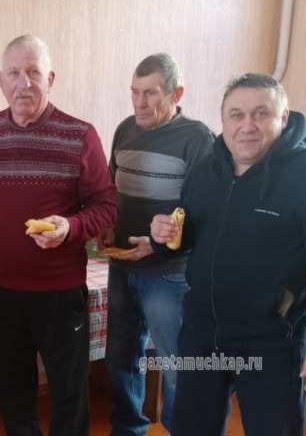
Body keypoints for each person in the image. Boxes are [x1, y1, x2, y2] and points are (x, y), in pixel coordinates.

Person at [0, 34, 117, 436]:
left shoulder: (80, 135)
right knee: (13, 391)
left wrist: (71, 227)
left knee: (69, 394)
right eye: (14, 73)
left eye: (33, 72)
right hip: (2, 291)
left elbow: (107, 205)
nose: (23, 83)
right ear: (0, 80)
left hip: (61, 293)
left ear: (51, 79)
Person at [150, 73, 306, 436]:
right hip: (201, 334)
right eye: (236, 115)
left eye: (261, 114)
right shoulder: (206, 168)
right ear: (224, 120)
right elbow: (185, 234)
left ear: (283, 117)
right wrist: (163, 236)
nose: (247, 126)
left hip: (273, 343)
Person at [102, 53, 215, 435]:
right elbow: (110, 188)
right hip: (121, 269)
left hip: (168, 275)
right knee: (120, 359)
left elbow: (204, 212)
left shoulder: (197, 139)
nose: (139, 102)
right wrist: (106, 223)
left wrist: (158, 244)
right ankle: (128, 429)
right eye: (134, 92)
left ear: (175, 93)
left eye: (150, 93)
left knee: (175, 364)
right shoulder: (124, 129)